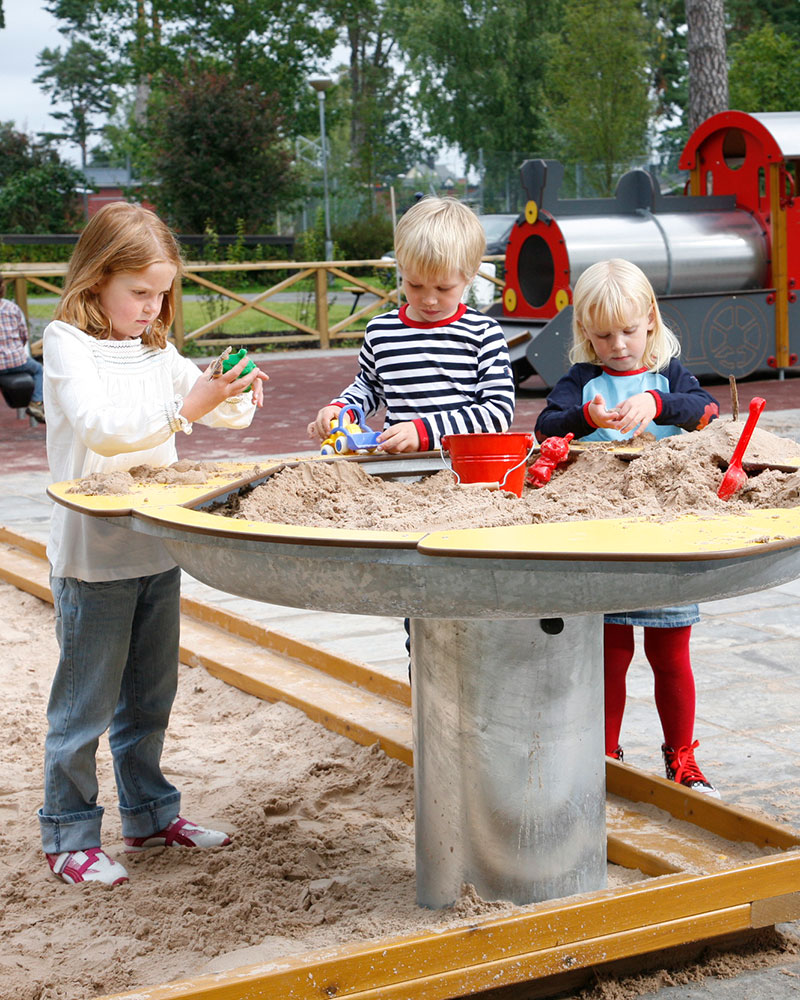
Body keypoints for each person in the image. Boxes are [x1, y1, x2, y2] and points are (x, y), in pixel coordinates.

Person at [39, 201, 269, 886]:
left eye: (163, 292)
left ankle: (148, 813)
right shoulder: (66, 344)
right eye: (139, 292)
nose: (152, 306)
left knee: (148, 699)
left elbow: (212, 410)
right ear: (95, 281)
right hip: (93, 558)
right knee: (83, 705)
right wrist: (186, 408)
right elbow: (106, 430)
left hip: (155, 547)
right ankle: (69, 834)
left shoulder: (153, 348)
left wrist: (240, 390)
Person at [534, 258, 721, 797]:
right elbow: (548, 423)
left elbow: (705, 411)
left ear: (651, 322)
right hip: (604, 537)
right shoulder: (583, 382)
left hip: (664, 535)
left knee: (670, 653)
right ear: (585, 336)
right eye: (603, 335)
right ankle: (605, 753)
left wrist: (657, 401)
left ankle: (681, 756)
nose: (618, 345)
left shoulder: (668, 376)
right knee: (609, 653)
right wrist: (585, 418)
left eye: (629, 331)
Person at [307, 196, 515, 454]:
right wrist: (342, 409)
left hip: (462, 467)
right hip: (399, 469)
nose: (428, 299)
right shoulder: (382, 331)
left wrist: (424, 432)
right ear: (401, 269)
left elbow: (497, 412)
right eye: (414, 285)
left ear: (471, 275)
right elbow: (371, 387)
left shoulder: (483, 332)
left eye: (443, 288)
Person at [0, 277, 45, 422]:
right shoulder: (11, 308)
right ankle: (36, 403)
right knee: (39, 369)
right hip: (17, 361)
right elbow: (24, 335)